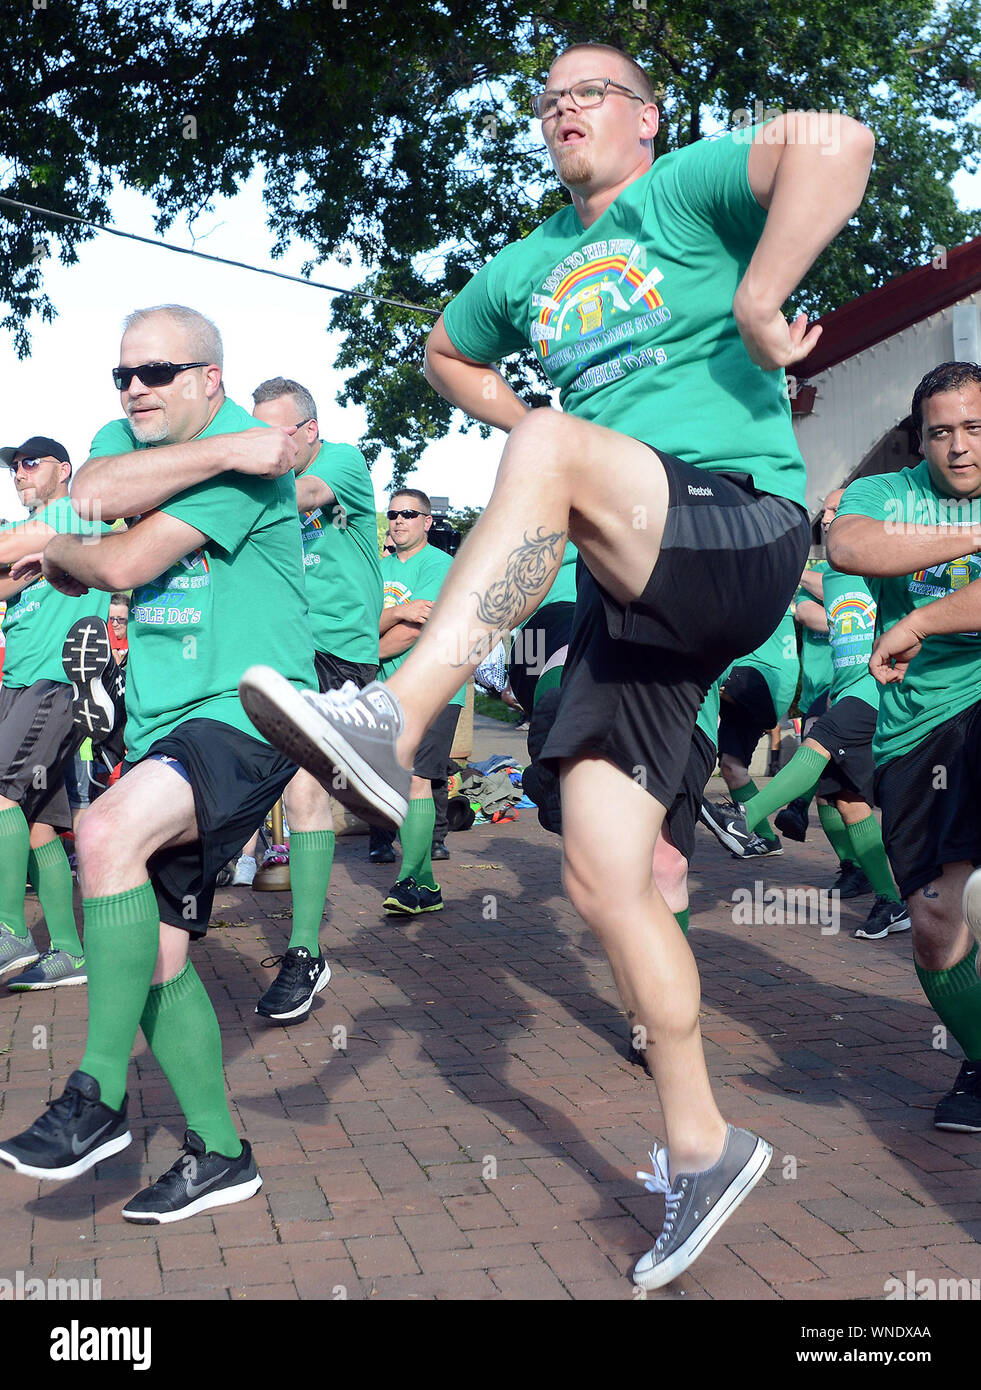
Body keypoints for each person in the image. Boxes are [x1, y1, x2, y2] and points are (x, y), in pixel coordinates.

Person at [240, 44, 874, 1287]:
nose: (566, 109)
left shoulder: (684, 189)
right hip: (630, 585)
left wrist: (762, 300)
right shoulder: (524, 265)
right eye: (549, 100)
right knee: (600, 872)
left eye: (593, 92)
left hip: (738, 523)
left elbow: (838, 139)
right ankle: (704, 1144)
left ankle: (394, 720)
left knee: (553, 444)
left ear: (647, 119)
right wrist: (521, 421)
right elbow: (441, 351)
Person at [0, 304, 315, 1222]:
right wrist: (81, 536)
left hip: (248, 710)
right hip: (162, 721)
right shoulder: (220, 453)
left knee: (99, 830)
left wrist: (66, 550)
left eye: (158, 372)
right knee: (157, 959)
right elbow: (92, 487)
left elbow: (124, 556)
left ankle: (95, 1097)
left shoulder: (250, 470)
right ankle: (221, 1154)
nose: (135, 387)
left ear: (209, 380)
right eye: (123, 374)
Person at [830, 360, 981, 1131]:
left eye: (974, 428)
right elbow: (851, 548)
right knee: (931, 922)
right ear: (918, 441)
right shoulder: (885, 493)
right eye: (941, 433)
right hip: (913, 733)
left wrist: (920, 620)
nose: (958, 447)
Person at [249, 377, 381, 1017]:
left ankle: (304, 951)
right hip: (281, 651)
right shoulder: (262, 483)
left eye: (277, 433)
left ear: (309, 430)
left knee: (306, 793)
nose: (267, 446)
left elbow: (297, 495)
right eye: (258, 433)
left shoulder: (342, 461)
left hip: (340, 652)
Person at [0, 437, 110, 991]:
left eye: (29, 462)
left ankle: (9, 930)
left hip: (55, 683)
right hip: (18, 684)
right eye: (12, 466)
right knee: (40, 825)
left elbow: (7, 558)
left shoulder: (76, 512)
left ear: (62, 470)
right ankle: (67, 951)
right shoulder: (26, 534)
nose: (17, 473)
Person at [369, 489, 465, 914]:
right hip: (391, 691)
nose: (398, 520)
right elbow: (364, 621)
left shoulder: (441, 566)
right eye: (392, 514)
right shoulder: (377, 568)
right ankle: (425, 886)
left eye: (408, 514)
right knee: (401, 783)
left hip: (436, 687)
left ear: (427, 521)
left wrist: (366, 649)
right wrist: (396, 612)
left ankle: (408, 881)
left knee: (416, 779)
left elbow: (415, 630)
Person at [776, 496, 873, 898]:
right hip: (824, 687)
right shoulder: (820, 571)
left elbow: (824, 603)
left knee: (819, 746)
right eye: (827, 512)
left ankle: (774, 810)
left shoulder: (871, 563)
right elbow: (806, 614)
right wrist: (844, 614)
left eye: (836, 510)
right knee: (833, 796)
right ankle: (856, 868)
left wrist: (815, 586)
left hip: (860, 691)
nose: (827, 518)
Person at [700, 608, 799, 856]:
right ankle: (766, 839)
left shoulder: (762, 580)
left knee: (697, 681)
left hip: (762, 677)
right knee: (732, 768)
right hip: (743, 679)